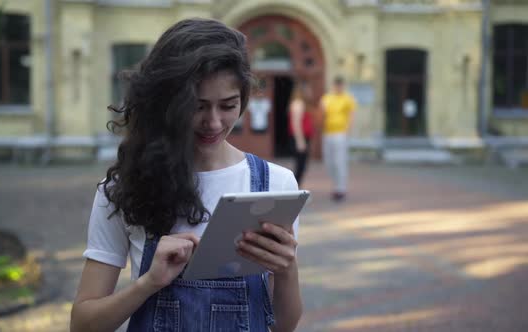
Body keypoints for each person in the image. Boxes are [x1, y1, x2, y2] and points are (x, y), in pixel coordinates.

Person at [70, 18, 303, 332]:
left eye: (228, 105)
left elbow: (283, 326)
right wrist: (149, 283)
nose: (214, 122)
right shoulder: (124, 187)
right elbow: (83, 324)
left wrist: (287, 270)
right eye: (198, 106)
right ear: (167, 103)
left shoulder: (275, 185)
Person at [319, 76, 357, 202]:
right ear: (333, 85)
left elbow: (351, 116)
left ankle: (340, 189)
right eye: (337, 85)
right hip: (327, 133)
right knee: (329, 161)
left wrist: (347, 132)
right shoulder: (327, 98)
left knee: (339, 161)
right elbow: (322, 114)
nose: (338, 87)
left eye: (340, 85)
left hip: (340, 134)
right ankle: (335, 185)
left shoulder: (348, 99)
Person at [287, 82, 314, 187]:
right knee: (300, 165)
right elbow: (296, 124)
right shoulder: (298, 104)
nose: (310, 92)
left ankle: (297, 186)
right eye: (308, 90)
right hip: (299, 139)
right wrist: (300, 141)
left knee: (301, 165)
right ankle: (295, 187)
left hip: (303, 138)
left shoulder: (302, 104)